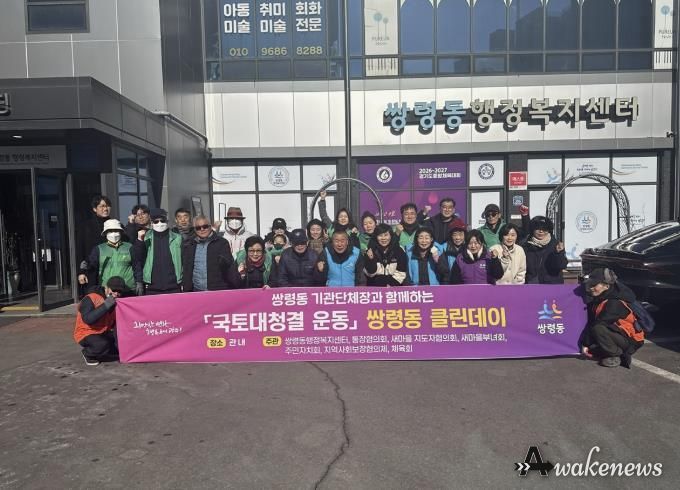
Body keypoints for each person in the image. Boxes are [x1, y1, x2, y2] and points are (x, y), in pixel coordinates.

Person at [579, 268, 644, 368]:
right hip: (617, 333)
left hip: (631, 340)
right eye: (590, 285)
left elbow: (599, 323)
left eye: (594, 285)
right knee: (592, 348)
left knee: (598, 328)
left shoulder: (614, 303)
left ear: (606, 286)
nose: (591, 288)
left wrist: (585, 343)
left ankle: (616, 354)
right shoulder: (601, 297)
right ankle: (608, 349)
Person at [74, 276, 128, 366]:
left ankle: (105, 352)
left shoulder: (118, 301)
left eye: (119, 291)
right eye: (114, 290)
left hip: (103, 331)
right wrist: (107, 304)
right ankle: (88, 354)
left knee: (121, 345)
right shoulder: (91, 298)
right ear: (106, 288)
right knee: (102, 345)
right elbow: (88, 319)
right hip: (86, 333)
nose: (116, 294)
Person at [132, 208, 183, 295]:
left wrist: (183, 281)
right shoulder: (145, 237)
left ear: (167, 221)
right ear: (151, 223)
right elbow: (137, 258)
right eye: (156, 221)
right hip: (152, 286)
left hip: (174, 285)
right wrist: (140, 240)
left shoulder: (177, 238)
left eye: (162, 220)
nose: (159, 223)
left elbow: (184, 260)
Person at [181, 215, 238, 292]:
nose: (202, 229)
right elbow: (186, 268)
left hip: (217, 290)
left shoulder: (222, 243)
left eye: (205, 226)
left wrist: (235, 287)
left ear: (210, 226)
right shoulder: (189, 244)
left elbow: (229, 267)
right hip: (196, 290)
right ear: (194, 229)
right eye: (198, 228)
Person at [79, 219, 136, 291]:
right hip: (107, 289)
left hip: (128, 288)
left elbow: (137, 266)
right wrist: (82, 272)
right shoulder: (99, 249)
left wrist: (139, 282)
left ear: (121, 232)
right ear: (105, 233)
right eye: (110, 231)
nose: (114, 234)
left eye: (116, 231)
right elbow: (91, 264)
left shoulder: (129, 247)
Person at [77, 195, 113, 287]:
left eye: (107, 206)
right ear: (94, 209)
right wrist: (81, 272)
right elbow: (81, 250)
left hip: (112, 268)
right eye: (102, 206)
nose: (105, 209)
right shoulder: (86, 226)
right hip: (92, 269)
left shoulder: (115, 225)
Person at [523, 215, 568, 284]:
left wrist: (558, 253)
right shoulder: (526, 245)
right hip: (532, 285)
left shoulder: (555, 244)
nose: (541, 231)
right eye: (537, 228)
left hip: (552, 285)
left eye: (544, 229)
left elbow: (562, 265)